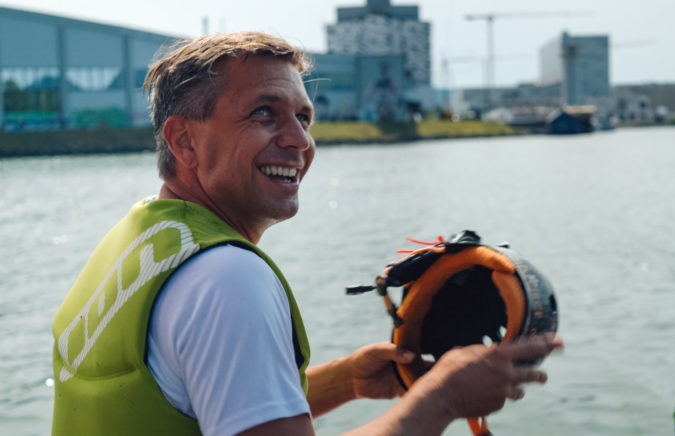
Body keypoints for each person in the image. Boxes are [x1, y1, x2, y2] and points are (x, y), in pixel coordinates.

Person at [51, 31, 563, 436]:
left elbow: (192, 405)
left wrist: (345, 380)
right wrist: (447, 398)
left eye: (304, 116)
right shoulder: (227, 278)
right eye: (264, 114)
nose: (300, 142)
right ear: (184, 140)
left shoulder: (135, 242)